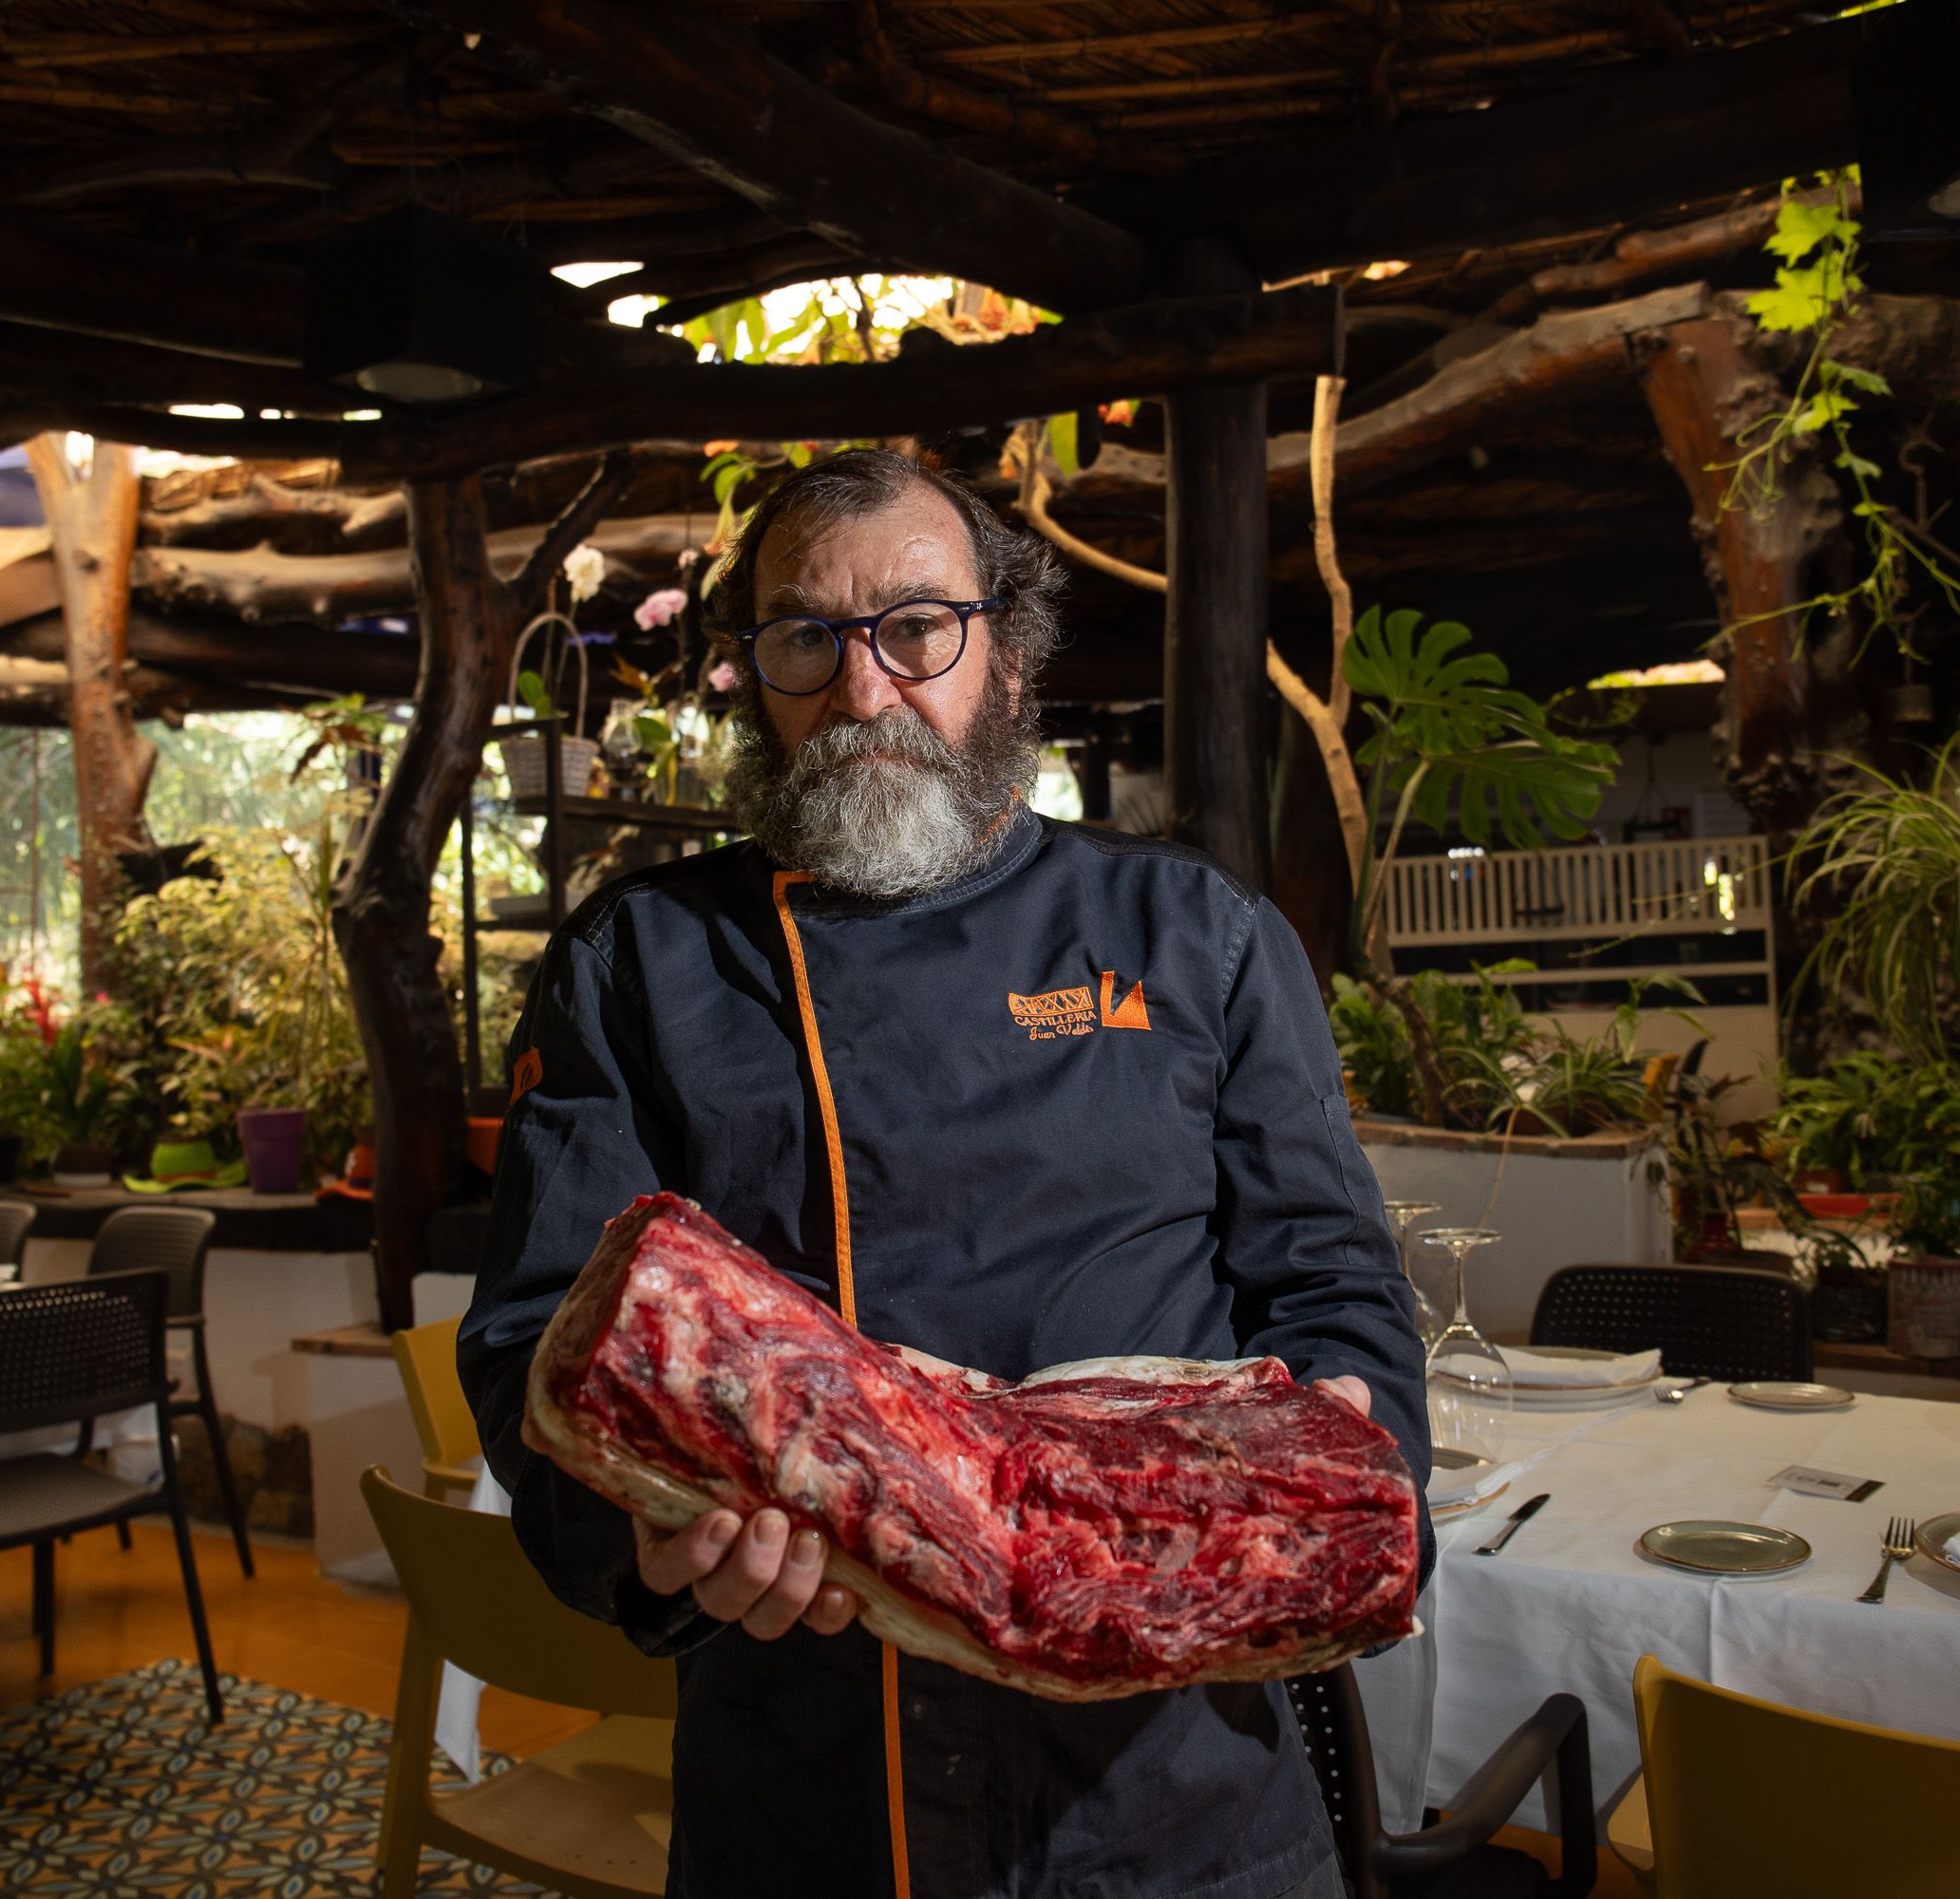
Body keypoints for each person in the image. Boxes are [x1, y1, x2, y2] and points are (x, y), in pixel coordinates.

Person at [460, 447, 1431, 1899]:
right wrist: (653, 1543)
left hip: (1175, 1787)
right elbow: (542, 1335)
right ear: (753, 672)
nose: (863, 697)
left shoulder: (1192, 932)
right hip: (813, 1768)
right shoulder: (643, 962)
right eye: (806, 638)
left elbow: (1334, 1284)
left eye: (915, 629)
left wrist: (1350, 1459)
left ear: (1008, 652)